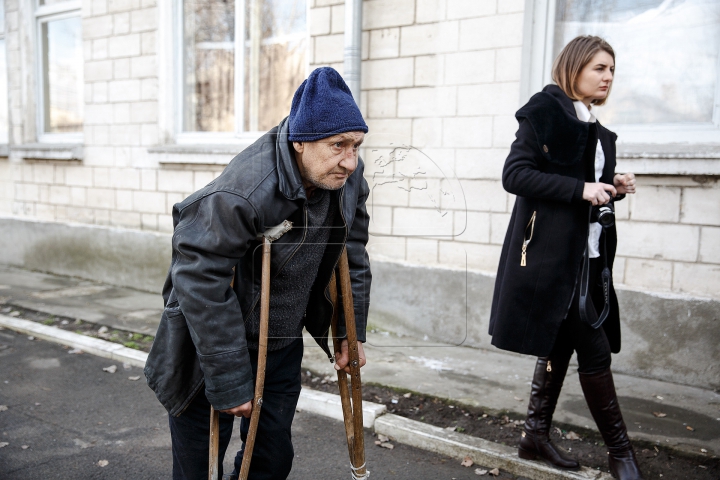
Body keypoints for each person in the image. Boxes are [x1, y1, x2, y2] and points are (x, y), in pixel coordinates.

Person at [144, 67, 372, 480]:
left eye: (356, 146)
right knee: (200, 467)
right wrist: (230, 376)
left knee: (269, 462)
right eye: (338, 145)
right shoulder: (243, 192)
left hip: (280, 343)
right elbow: (198, 277)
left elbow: (352, 254)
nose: (350, 162)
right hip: (208, 347)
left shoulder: (347, 180)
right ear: (300, 141)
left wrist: (348, 333)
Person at [488, 36, 642, 480]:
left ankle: (534, 436)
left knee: (558, 343)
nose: (608, 77)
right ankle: (621, 454)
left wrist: (613, 185)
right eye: (599, 68)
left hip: (588, 258)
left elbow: (586, 189)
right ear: (574, 68)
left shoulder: (592, 124)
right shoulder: (544, 112)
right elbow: (515, 175)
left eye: (612, 70)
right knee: (594, 352)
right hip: (551, 258)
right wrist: (582, 189)